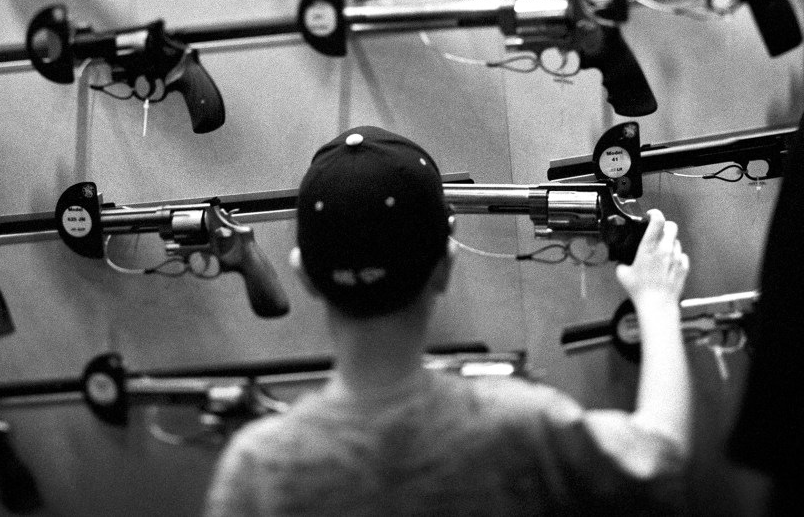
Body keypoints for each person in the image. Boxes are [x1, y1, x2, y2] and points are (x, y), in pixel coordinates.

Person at [204, 125, 692, 516]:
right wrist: (656, 301)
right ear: (447, 263)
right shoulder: (523, 428)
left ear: (303, 275)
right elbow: (660, 455)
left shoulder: (257, 469)